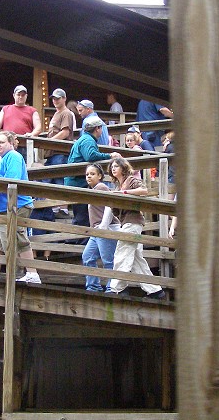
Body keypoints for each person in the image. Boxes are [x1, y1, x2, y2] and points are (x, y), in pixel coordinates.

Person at [0, 131, 42, 283]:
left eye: (1, 142)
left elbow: (12, 179)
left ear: (10, 143)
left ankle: (31, 273)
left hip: (16, 205)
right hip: (1, 207)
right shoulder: (3, 159)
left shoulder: (13, 156)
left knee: (16, 238)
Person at [105, 156, 166, 299]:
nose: (113, 168)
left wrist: (123, 193)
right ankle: (155, 290)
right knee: (137, 260)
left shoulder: (130, 181)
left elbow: (143, 190)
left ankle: (118, 288)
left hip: (133, 222)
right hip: (127, 222)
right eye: (112, 167)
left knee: (122, 253)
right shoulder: (118, 186)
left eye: (116, 166)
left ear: (123, 168)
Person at [64, 116, 120, 228]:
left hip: (77, 180)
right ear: (97, 129)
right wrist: (109, 155)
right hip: (78, 182)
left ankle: (81, 239)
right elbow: (91, 155)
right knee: (82, 214)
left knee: (82, 212)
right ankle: (80, 240)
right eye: (101, 128)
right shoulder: (88, 140)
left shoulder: (85, 139)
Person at [82, 164, 119, 292]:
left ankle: (112, 287)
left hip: (105, 228)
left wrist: (104, 226)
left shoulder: (101, 187)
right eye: (87, 174)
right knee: (88, 257)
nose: (89, 176)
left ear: (100, 176)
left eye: (92, 174)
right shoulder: (93, 190)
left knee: (108, 260)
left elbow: (110, 206)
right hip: (96, 230)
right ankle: (93, 286)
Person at [41, 87, 76, 191]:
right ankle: (53, 206)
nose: (55, 101)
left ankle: (62, 206)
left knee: (59, 179)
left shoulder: (66, 113)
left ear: (64, 98)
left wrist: (49, 142)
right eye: (53, 99)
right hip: (52, 152)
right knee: (48, 178)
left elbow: (65, 132)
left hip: (60, 152)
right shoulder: (57, 113)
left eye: (58, 98)